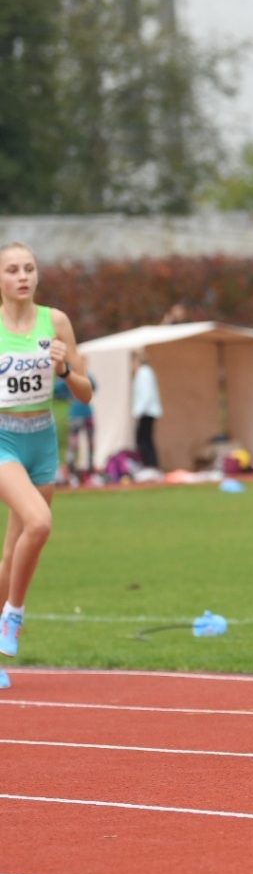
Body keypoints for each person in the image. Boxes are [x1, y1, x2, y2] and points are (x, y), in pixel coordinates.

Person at [0, 242, 93, 683]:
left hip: (42, 441)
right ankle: (14, 614)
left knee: (11, 552)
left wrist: (62, 372)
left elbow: (85, 391)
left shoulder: (54, 322)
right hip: (3, 440)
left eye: (29, 268)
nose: (22, 276)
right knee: (38, 523)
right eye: (12, 269)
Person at [55, 353, 97, 484]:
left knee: (90, 444)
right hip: (75, 414)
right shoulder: (69, 376)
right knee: (73, 445)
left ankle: (89, 470)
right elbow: (56, 390)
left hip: (87, 414)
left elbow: (94, 387)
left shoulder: (86, 375)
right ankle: (72, 471)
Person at [131, 350, 161, 470]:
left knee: (144, 440)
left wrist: (137, 411)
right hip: (146, 412)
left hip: (146, 412)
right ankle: (150, 465)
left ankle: (150, 465)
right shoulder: (144, 372)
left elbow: (146, 395)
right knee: (146, 440)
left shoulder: (144, 373)